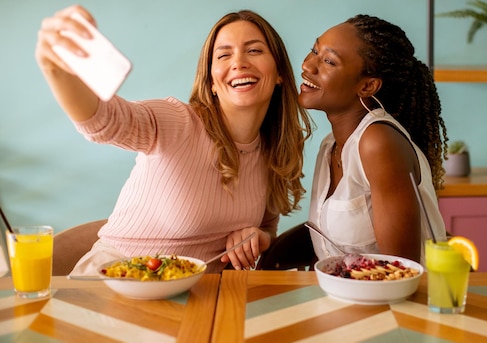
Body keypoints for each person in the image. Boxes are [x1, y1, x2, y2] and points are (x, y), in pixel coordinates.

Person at [35, 5, 312, 273]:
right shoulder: (177, 123)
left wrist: (259, 238)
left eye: (254, 50)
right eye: (224, 55)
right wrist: (54, 68)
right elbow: (104, 123)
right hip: (117, 283)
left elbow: (266, 225)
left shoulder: (275, 149)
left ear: (279, 74)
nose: (239, 62)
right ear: (212, 82)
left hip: (200, 301)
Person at [299, 14, 448, 263]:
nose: (307, 65)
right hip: (347, 296)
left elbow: (399, 273)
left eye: (328, 61)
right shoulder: (330, 145)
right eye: (314, 50)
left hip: (398, 300)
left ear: (368, 86)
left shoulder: (378, 142)